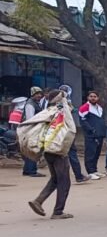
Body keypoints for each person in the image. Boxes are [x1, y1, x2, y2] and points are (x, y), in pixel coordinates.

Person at [27, 89, 75, 220]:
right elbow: (67, 128)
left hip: (48, 150)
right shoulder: (59, 111)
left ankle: (38, 201)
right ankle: (58, 212)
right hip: (58, 150)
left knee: (55, 179)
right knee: (64, 181)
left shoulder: (47, 111)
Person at [57, 85, 89, 184]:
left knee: (60, 155)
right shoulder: (64, 102)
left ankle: (61, 178)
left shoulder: (54, 102)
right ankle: (78, 176)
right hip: (66, 131)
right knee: (71, 154)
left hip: (58, 132)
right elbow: (67, 113)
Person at [79, 90, 106, 180]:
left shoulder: (100, 108)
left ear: (98, 98)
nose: (93, 98)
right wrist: (91, 130)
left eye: (95, 96)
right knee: (90, 153)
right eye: (91, 96)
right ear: (88, 97)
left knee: (97, 153)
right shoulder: (84, 107)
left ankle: (94, 170)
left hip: (99, 134)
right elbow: (83, 121)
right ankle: (90, 172)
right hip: (91, 135)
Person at [22, 86, 46, 177]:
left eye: (40, 94)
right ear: (33, 94)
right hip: (31, 130)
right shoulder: (30, 104)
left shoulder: (36, 103)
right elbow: (30, 119)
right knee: (34, 150)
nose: (39, 95)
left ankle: (27, 170)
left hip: (34, 129)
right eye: (37, 94)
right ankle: (32, 171)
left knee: (30, 150)